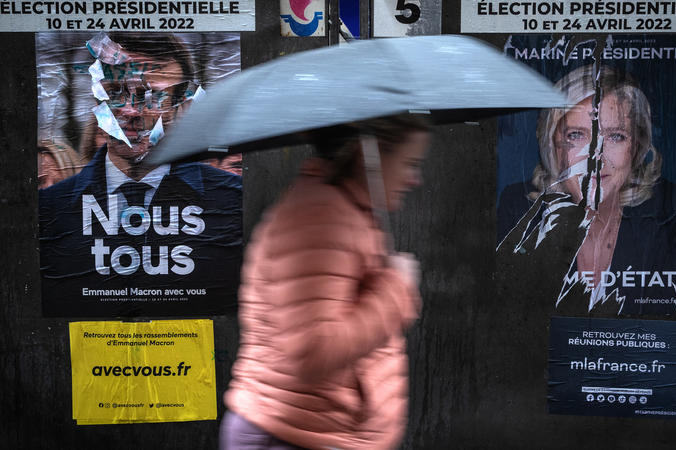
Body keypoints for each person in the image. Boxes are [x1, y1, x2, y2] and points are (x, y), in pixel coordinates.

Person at [220, 115, 430, 450]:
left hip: (311, 430)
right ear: (368, 155)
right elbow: (312, 350)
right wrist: (396, 291)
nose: (415, 179)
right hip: (292, 434)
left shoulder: (346, 211)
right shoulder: (321, 217)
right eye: (410, 163)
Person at [38, 33, 243, 317]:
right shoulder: (50, 210)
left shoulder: (232, 201)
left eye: (153, 96)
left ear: (179, 106)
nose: (130, 110)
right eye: (115, 92)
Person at [497, 65, 676, 315]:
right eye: (576, 135)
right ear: (552, 144)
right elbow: (511, 320)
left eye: (615, 137)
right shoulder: (519, 208)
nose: (594, 157)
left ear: (637, 146)